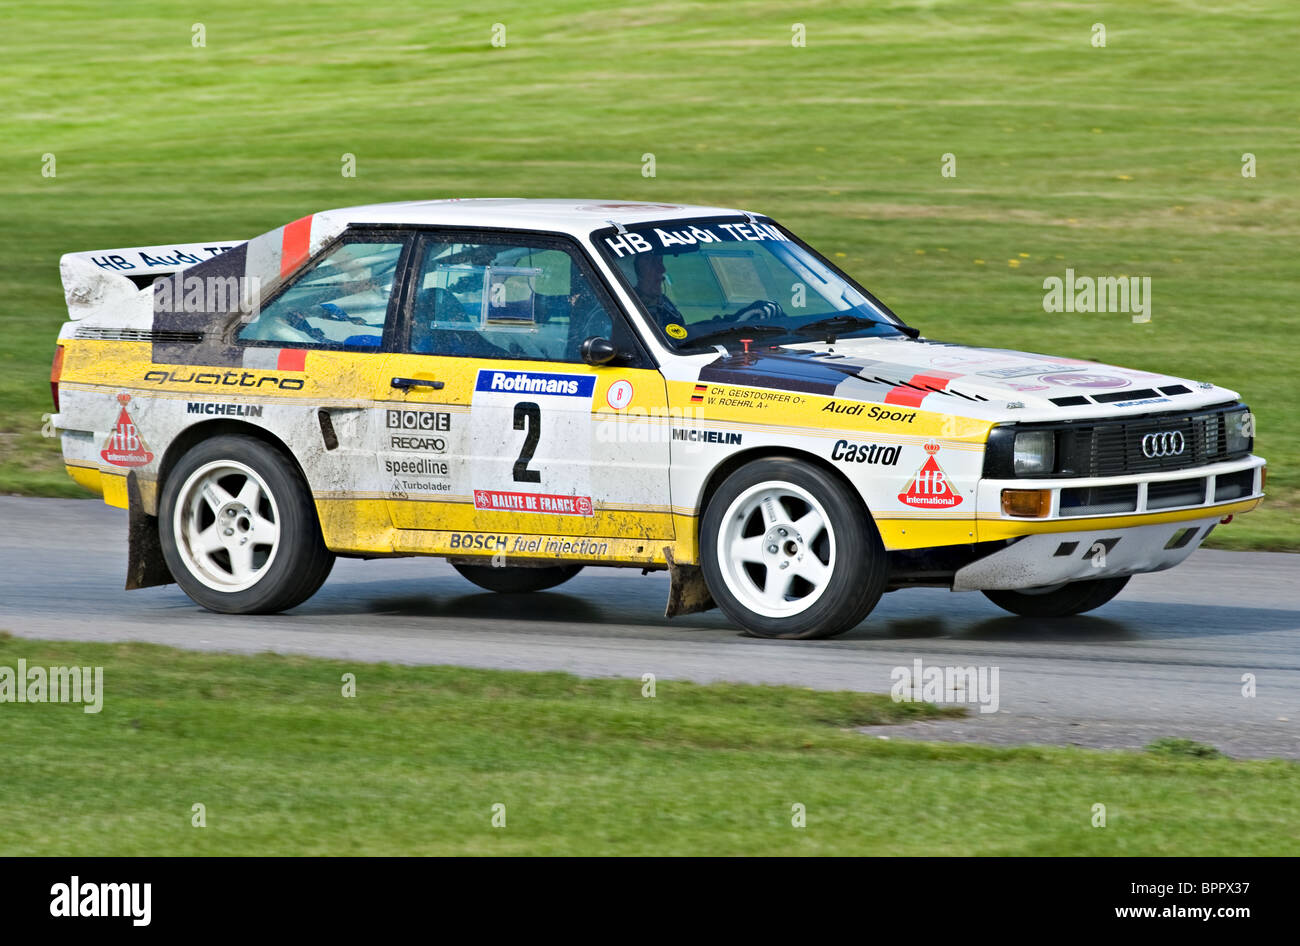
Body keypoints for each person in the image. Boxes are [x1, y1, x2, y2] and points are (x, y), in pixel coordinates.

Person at [631, 253, 686, 330]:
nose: (662, 269)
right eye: (650, 262)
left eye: (660, 260)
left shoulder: (663, 301)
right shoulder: (625, 309)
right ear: (635, 270)